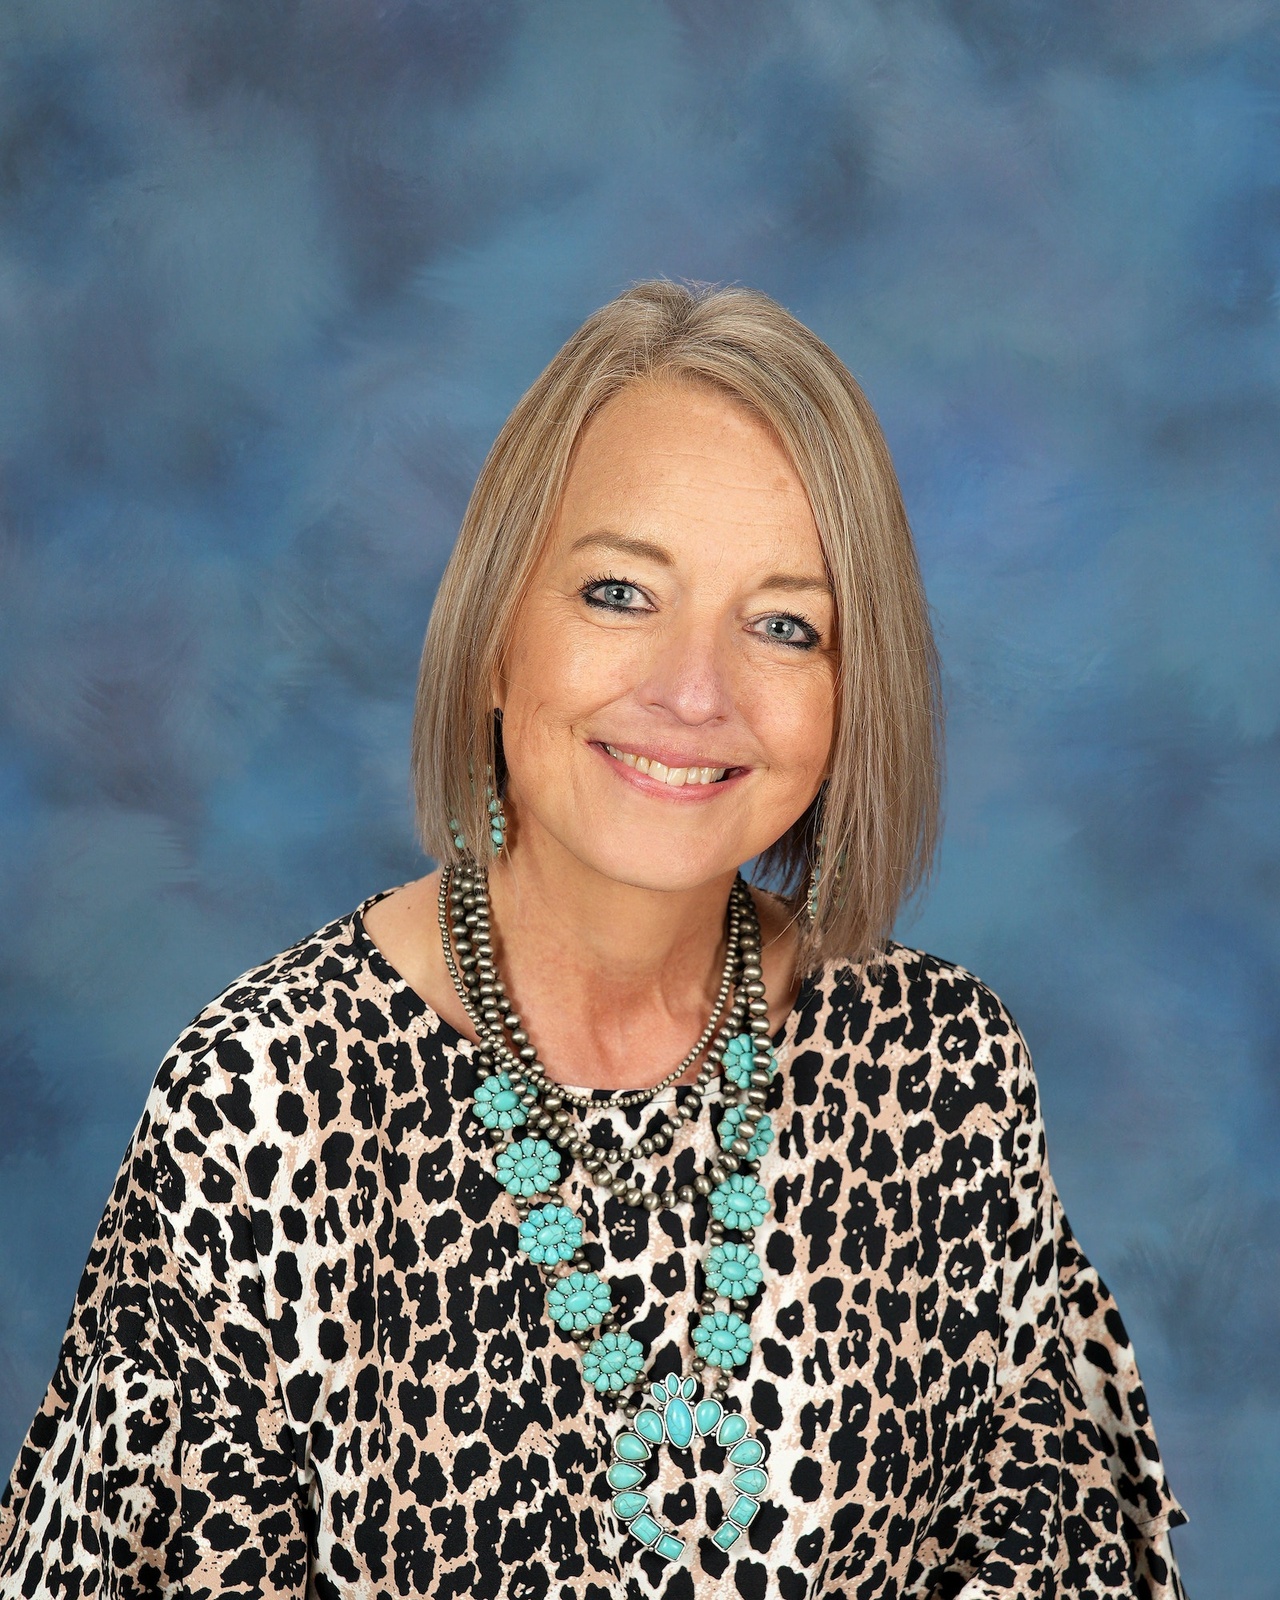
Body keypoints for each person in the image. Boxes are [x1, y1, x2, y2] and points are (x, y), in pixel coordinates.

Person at [0, 282, 1186, 1599]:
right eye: (620, 592)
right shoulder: (269, 1101)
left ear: (856, 696)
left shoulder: (938, 1075)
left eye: (785, 624)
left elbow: (1065, 1562)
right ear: (500, 635)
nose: (695, 690)